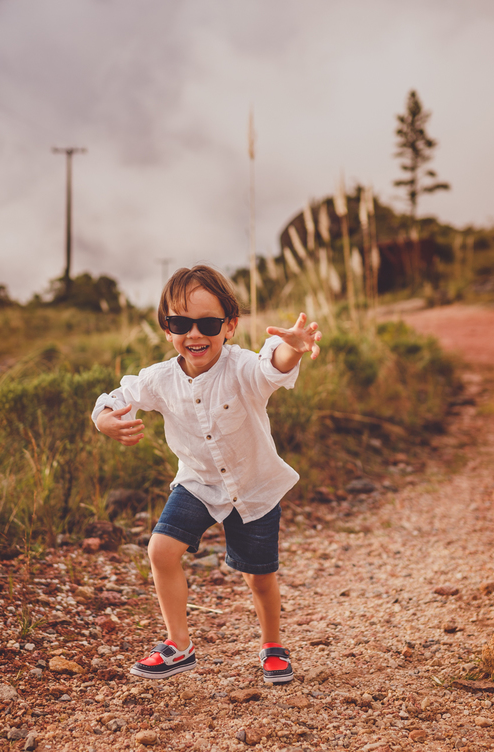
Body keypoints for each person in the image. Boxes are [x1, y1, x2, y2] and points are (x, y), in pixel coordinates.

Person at [92, 264, 321, 683]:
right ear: (166, 328)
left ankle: (272, 644)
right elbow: (117, 397)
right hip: (197, 483)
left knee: (260, 577)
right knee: (160, 551)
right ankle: (179, 644)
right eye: (180, 322)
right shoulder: (159, 379)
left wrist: (294, 347)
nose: (194, 334)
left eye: (208, 323)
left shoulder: (243, 368)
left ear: (230, 326)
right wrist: (105, 420)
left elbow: (274, 364)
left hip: (254, 487)